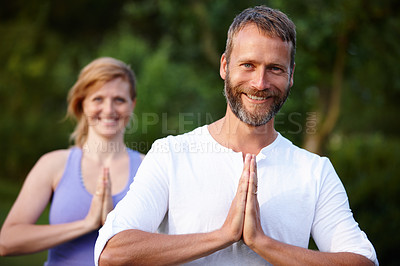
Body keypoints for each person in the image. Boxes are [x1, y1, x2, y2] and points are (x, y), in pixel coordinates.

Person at [95, 6, 378, 266]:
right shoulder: (171, 155)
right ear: (224, 66)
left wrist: (262, 243)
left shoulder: (315, 172)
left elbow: (363, 261)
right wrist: (222, 235)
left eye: (275, 69)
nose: (260, 83)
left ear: (291, 76)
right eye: (248, 65)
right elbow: (111, 253)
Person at [0, 57, 144, 265]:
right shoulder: (53, 165)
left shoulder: (148, 167)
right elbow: (6, 242)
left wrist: (113, 228)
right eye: (98, 99)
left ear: (133, 104)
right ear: (82, 103)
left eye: (119, 100)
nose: (109, 109)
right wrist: (87, 224)